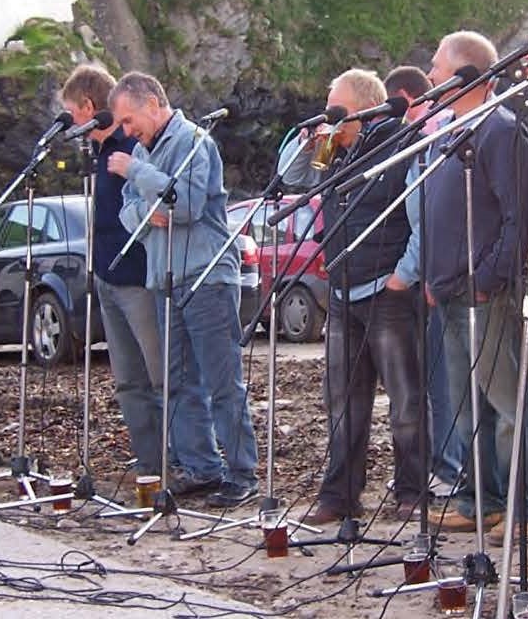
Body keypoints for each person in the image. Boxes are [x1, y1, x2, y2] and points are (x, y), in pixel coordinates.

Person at [107, 72, 259, 508]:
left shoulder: (195, 141)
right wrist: (147, 207)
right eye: (122, 123)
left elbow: (187, 205)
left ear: (153, 102)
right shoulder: (141, 149)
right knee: (178, 381)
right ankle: (201, 466)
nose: (126, 131)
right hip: (164, 277)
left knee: (221, 378)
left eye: (130, 119)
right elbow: (128, 213)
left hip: (207, 274)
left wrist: (139, 173)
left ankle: (242, 472)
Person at [279, 69, 424, 524]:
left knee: (406, 401)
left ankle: (412, 491)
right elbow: (292, 179)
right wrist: (307, 140)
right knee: (342, 403)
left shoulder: (400, 145)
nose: (329, 115)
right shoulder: (337, 151)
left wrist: (404, 275)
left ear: (360, 109)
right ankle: (340, 495)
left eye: (335, 107)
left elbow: (421, 215)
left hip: (388, 291)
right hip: (343, 290)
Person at [421, 31, 528, 546]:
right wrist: (435, 276)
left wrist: (488, 279)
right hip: (449, 290)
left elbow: (520, 217)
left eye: (436, 66)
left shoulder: (500, 129)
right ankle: (482, 499)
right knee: (467, 404)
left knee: (507, 399)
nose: (429, 76)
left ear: (465, 74)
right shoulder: (448, 130)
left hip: (484, 293)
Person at [59, 66, 163, 477]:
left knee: (159, 376)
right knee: (127, 379)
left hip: (138, 277)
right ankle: (148, 459)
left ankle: (177, 459)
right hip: (106, 275)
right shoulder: (97, 154)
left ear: (88, 107)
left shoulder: (130, 147)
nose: (70, 123)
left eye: (71, 113)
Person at [384, 65, 459, 500]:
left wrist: (409, 274)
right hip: (428, 276)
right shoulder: (418, 137)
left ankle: (447, 469)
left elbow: (426, 215)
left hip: (437, 277)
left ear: (407, 100)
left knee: (440, 381)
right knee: (433, 379)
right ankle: (443, 466)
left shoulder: (434, 133)